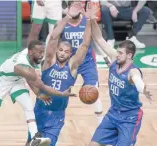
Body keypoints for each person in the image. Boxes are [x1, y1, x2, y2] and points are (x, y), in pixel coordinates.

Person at [26, 2, 96, 146]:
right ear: (56, 50)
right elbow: (53, 37)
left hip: (57, 116)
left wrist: (88, 20)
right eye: (61, 50)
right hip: (40, 111)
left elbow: (85, 44)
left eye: (66, 51)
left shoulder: (72, 67)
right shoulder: (48, 62)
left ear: (71, 54)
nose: (63, 53)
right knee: (30, 143)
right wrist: (68, 16)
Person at [88, 17, 153, 146]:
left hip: (130, 118)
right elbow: (99, 38)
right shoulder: (115, 59)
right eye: (117, 52)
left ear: (129, 55)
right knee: (93, 144)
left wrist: (143, 89)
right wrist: (91, 19)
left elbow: (137, 80)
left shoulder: (132, 72)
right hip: (113, 114)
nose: (117, 54)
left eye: (120, 53)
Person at [60, 0, 103, 124]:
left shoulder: (87, 21)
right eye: (73, 6)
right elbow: (54, 42)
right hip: (70, 63)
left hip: (87, 61)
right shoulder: (63, 23)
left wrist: (105, 57)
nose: (76, 8)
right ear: (68, 9)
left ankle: (100, 121)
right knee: (63, 90)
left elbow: (97, 39)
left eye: (78, 6)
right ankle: (58, 116)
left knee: (92, 90)